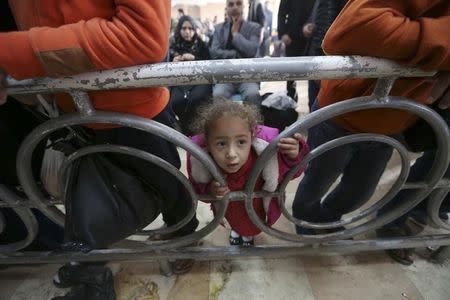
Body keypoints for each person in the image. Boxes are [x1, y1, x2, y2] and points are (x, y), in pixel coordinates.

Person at [0, 0, 199, 297]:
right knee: (91, 192)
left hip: (138, 105)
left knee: (168, 182)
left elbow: (143, 35)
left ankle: (184, 233)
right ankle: (90, 268)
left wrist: (10, 52)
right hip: (69, 107)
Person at [292, 0, 450, 237]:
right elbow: (354, 28)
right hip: (339, 114)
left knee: (360, 191)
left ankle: (327, 218)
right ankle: (306, 225)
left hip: (391, 124)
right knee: (317, 181)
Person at [187, 99, 309, 246]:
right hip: (231, 210)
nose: (232, 154)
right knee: (236, 223)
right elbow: (198, 190)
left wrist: (293, 156)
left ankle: (248, 236)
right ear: (207, 142)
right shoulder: (203, 161)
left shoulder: (266, 155)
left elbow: (293, 174)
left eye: (241, 142)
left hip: (257, 208)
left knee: (252, 227)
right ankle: (237, 231)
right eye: (221, 143)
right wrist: (210, 190)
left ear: (252, 136)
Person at [210, 0, 262, 107]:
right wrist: (234, 54)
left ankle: (253, 124)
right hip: (225, 76)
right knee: (218, 94)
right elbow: (214, 52)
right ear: (226, 9)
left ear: (244, 7)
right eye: (231, 4)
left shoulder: (254, 28)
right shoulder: (219, 29)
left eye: (238, 4)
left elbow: (251, 51)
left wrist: (236, 34)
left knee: (252, 94)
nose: (234, 7)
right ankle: (223, 124)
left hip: (248, 76)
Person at [169, 15, 212, 135]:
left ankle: (196, 131)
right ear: (179, 30)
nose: (187, 32)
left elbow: (210, 63)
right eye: (184, 28)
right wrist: (173, 62)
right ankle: (184, 130)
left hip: (199, 81)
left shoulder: (201, 44)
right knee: (176, 100)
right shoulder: (173, 46)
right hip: (179, 82)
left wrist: (194, 58)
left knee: (196, 99)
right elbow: (165, 66)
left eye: (191, 28)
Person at [302, 0, 347, 110]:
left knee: (320, 110)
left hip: (325, 58)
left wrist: (320, 61)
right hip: (327, 55)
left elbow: (325, 23)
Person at [277, 0, 316, 100]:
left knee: (314, 74)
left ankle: (313, 106)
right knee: (290, 75)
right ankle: (290, 104)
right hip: (292, 37)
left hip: (311, 37)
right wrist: (283, 33)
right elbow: (282, 13)